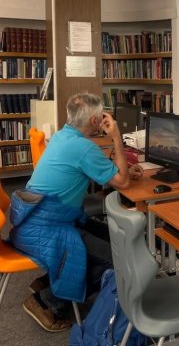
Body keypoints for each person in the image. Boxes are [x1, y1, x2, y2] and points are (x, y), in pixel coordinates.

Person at [9, 92, 143, 332]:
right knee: (117, 258)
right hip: (47, 226)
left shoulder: (62, 136)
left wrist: (118, 170)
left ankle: (48, 282)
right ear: (95, 120)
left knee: (116, 238)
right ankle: (47, 301)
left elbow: (108, 173)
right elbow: (122, 183)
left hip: (33, 219)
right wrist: (116, 137)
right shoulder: (84, 149)